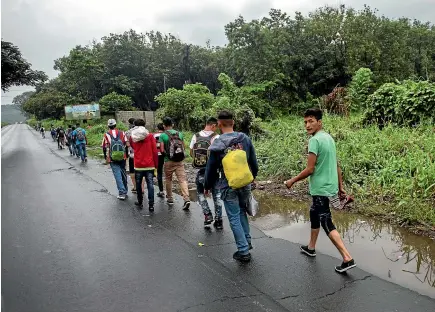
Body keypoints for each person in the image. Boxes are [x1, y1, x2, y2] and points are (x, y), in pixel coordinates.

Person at [284, 108, 356, 273]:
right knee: (314, 212)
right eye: (305, 122)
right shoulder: (329, 138)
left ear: (319, 122)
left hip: (321, 189)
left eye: (311, 121)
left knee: (325, 221)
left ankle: (347, 257)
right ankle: (311, 247)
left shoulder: (315, 141)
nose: (307, 125)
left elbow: (310, 169)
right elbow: (337, 165)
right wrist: (340, 187)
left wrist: (292, 181)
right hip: (329, 187)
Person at [204, 111, 258, 262]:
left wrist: (207, 185)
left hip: (228, 185)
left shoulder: (217, 143)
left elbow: (211, 168)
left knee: (234, 216)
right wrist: (253, 177)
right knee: (242, 212)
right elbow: (253, 161)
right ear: (233, 122)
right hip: (245, 183)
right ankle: (247, 242)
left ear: (219, 124)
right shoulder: (245, 138)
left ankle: (243, 251)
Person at [190, 117, 223, 229]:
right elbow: (220, 154)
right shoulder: (216, 137)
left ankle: (208, 215)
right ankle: (218, 220)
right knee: (217, 195)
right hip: (214, 171)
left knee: (200, 193)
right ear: (213, 125)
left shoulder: (195, 136)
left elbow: (191, 153)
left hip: (201, 171)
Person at [159, 117, 190, 209]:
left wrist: (167, 155)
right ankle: (186, 198)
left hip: (168, 161)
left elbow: (161, 149)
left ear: (164, 125)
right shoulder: (179, 134)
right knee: (182, 180)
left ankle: (170, 198)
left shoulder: (163, 135)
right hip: (179, 161)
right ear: (172, 124)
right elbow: (183, 147)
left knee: (168, 179)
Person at [128, 118, 158, 211]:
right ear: (144, 125)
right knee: (150, 184)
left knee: (138, 183)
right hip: (149, 164)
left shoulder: (132, 137)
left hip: (138, 165)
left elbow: (133, 147)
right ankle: (151, 205)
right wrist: (156, 165)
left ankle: (140, 202)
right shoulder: (150, 136)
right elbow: (154, 151)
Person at [103, 119, 128, 200]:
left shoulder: (106, 134)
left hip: (112, 158)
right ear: (115, 125)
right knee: (123, 173)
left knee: (117, 175)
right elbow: (127, 144)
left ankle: (121, 193)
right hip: (122, 157)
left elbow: (105, 147)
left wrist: (106, 157)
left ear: (108, 126)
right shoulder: (122, 133)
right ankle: (125, 190)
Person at [125, 118, 138, 193]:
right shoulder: (144, 132)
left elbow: (126, 144)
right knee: (140, 171)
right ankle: (141, 187)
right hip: (141, 155)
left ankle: (135, 187)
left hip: (132, 154)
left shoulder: (127, 132)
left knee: (132, 171)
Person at [153, 123, 165, 198]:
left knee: (159, 172)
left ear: (157, 128)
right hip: (165, 155)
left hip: (157, 155)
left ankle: (161, 191)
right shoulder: (166, 135)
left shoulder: (154, 135)